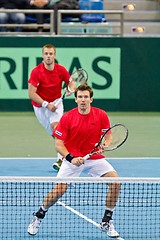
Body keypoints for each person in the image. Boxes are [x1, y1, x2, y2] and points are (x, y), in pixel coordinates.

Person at [27, 84, 121, 238]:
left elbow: (107, 135)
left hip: (94, 157)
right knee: (58, 191)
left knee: (116, 183)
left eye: (86, 97)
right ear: (76, 99)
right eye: (80, 97)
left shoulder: (101, 115)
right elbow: (58, 144)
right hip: (72, 158)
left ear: (91, 99)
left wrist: (105, 144)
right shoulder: (68, 118)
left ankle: (106, 220)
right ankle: (39, 215)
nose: (83, 100)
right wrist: (71, 158)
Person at [28, 43, 74, 171]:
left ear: (54, 55)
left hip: (57, 103)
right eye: (46, 54)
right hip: (40, 107)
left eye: (51, 54)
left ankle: (61, 160)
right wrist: (46, 105)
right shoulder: (36, 72)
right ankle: (66, 154)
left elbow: (71, 82)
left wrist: (71, 89)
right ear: (43, 55)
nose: (48, 56)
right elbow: (31, 93)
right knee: (55, 135)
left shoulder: (61, 70)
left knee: (58, 129)